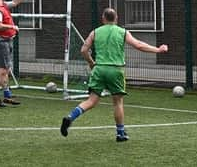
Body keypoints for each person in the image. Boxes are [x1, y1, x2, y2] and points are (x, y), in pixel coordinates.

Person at [60, 8, 168, 142]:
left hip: (99, 69)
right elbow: (139, 45)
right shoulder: (122, 32)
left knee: (92, 100)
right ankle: (120, 133)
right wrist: (158, 49)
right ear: (116, 18)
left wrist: (92, 63)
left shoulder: (96, 32)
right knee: (117, 102)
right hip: (116, 70)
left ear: (103, 18)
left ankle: (70, 117)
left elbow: (83, 50)